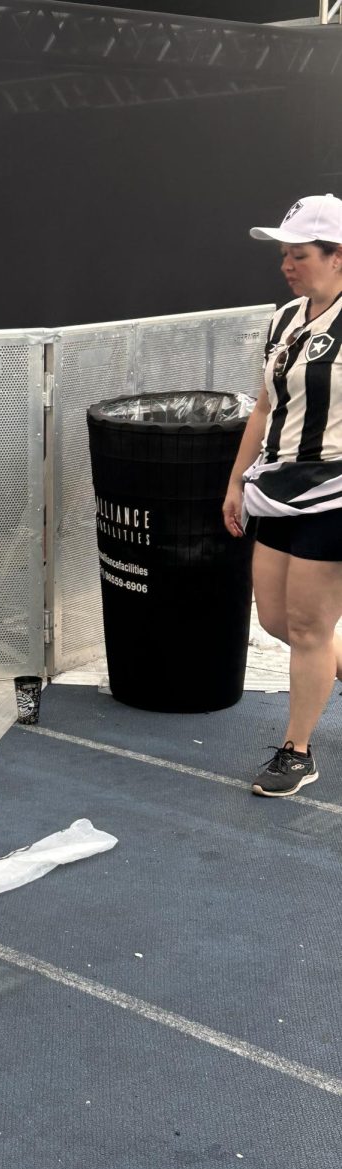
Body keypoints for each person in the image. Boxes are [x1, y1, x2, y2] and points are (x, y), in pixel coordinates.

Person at [223, 193, 342, 796]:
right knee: (275, 619)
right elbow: (264, 408)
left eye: (299, 255)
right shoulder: (284, 319)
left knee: (308, 625)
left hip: (337, 492)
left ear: (338, 257)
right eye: (285, 255)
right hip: (278, 488)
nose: (286, 266)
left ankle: (297, 751)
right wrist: (237, 481)